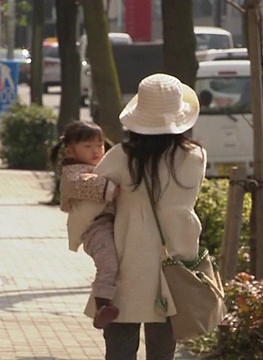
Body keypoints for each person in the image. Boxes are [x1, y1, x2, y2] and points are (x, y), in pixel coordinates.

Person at [87, 73, 206, 359]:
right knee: (163, 351)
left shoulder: (119, 157)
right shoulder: (194, 157)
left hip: (125, 265)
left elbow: (91, 199)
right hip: (173, 264)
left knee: (120, 350)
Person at [51, 120, 121, 330]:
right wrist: (113, 187)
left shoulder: (100, 166)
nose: (96, 151)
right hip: (94, 228)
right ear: (71, 151)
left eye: (99, 145)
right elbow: (86, 185)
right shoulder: (72, 173)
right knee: (108, 262)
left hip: (109, 223)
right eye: (87, 146)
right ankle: (102, 304)